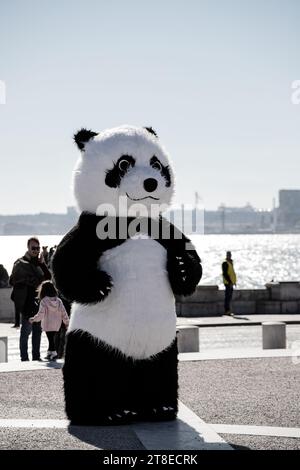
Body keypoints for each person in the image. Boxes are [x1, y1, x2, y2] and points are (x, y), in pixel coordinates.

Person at [9, 237, 51, 360]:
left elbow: (48, 278)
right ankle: (24, 358)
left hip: (38, 302)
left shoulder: (39, 263)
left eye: (38, 248)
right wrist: (29, 281)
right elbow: (12, 280)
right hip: (26, 302)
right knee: (25, 332)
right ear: (28, 248)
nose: (36, 250)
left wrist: (43, 264)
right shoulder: (20, 263)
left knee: (37, 332)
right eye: (33, 248)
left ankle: (36, 357)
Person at [29, 280, 69, 361]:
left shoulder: (44, 301)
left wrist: (34, 319)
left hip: (47, 324)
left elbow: (41, 314)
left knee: (50, 339)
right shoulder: (58, 301)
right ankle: (50, 353)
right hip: (56, 324)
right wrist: (67, 322)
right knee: (51, 339)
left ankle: (53, 353)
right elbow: (64, 312)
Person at [222, 251, 237, 316]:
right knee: (227, 297)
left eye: (230, 254)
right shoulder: (225, 263)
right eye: (228, 255)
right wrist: (230, 282)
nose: (229, 256)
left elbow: (231, 273)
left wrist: (234, 282)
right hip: (228, 283)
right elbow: (225, 274)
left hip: (231, 283)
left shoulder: (230, 263)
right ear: (226, 255)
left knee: (229, 297)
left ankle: (229, 310)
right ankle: (226, 311)